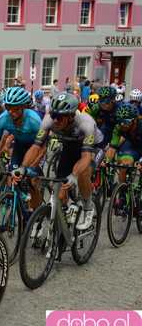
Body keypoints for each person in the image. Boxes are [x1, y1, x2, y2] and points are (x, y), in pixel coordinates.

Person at [18, 93, 103, 231]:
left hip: (93, 148)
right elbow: (36, 147)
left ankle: (88, 207)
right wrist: (23, 167)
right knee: (59, 193)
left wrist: (74, 175)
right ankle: (64, 220)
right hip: (70, 146)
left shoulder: (85, 123)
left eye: (59, 117)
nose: (55, 120)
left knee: (82, 173)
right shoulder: (48, 121)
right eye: (53, 115)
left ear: (71, 116)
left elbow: (86, 156)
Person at [106, 102, 142, 184]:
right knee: (124, 165)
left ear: (135, 120)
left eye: (126, 122)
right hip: (132, 147)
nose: (122, 125)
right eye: (120, 121)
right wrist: (106, 161)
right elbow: (112, 147)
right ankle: (123, 191)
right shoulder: (118, 127)